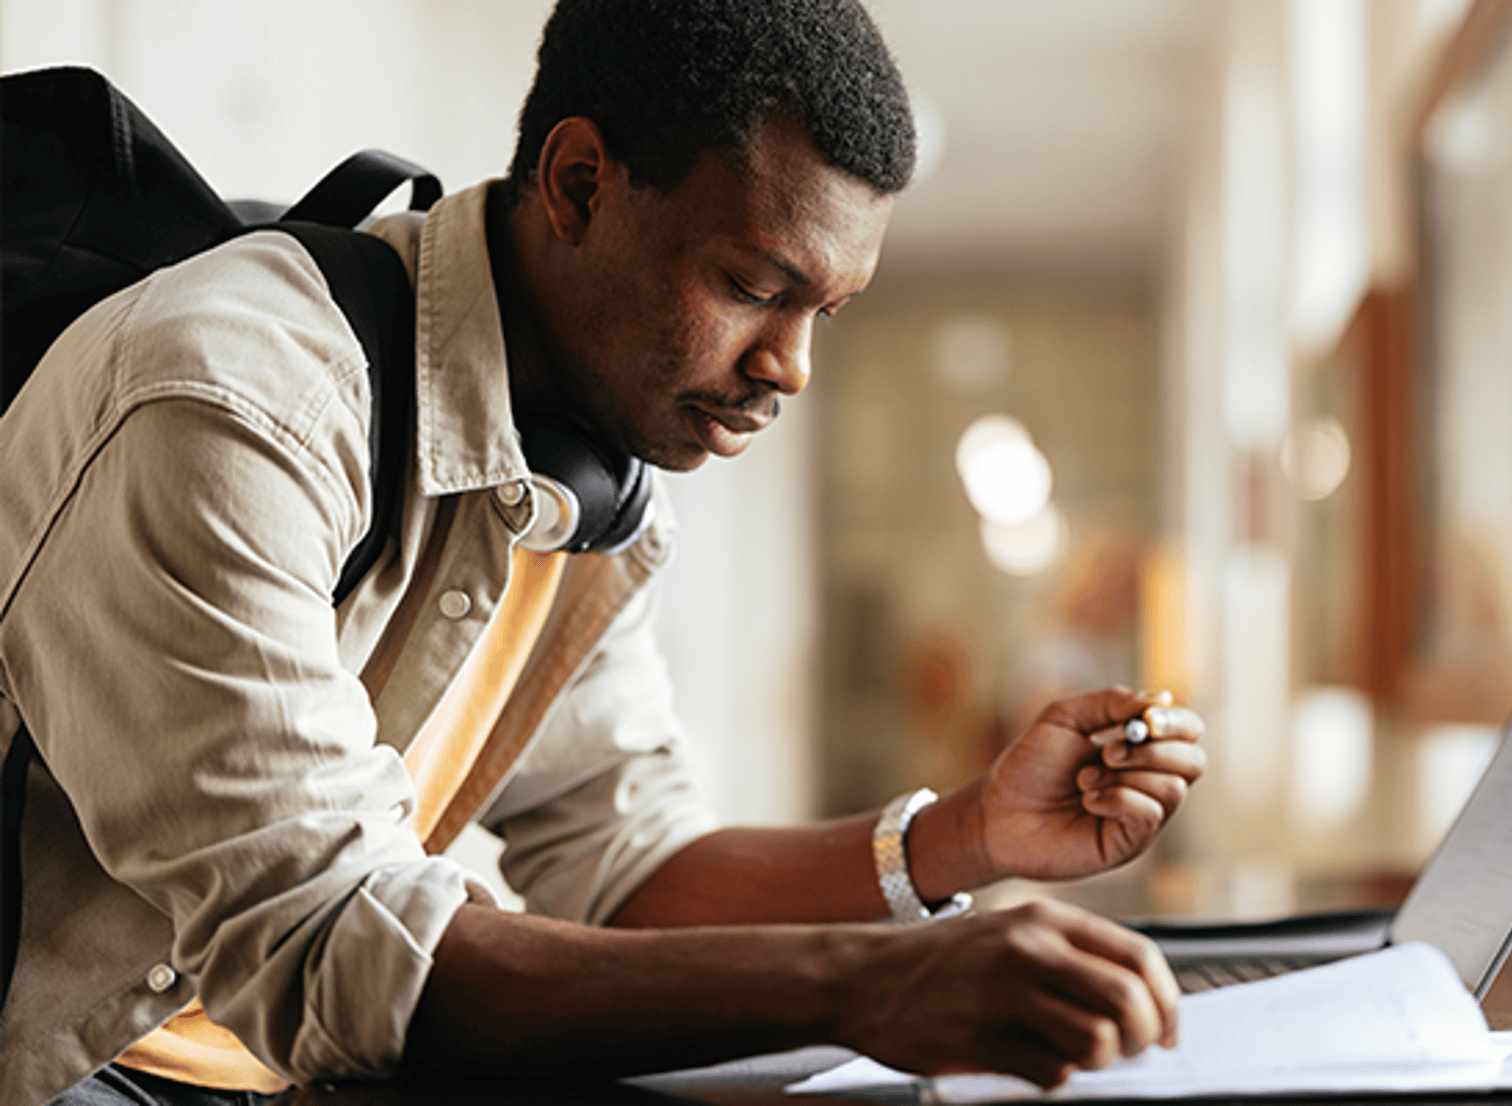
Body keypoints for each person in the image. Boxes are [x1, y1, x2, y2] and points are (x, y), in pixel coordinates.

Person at [0, 1, 1207, 1103]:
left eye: (821, 313)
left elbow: (622, 857)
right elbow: (334, 941)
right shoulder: (234, 403)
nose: (788, 365)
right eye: (752, 284)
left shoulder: (591, 472)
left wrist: (967, 837)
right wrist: (863, 981)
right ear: (579, 182)